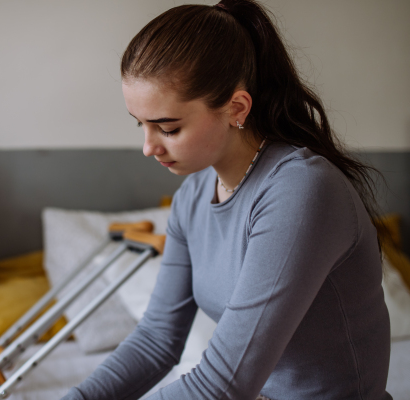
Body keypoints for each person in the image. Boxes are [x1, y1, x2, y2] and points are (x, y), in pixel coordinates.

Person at [62, 1, 392, 399]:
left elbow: (222, 384)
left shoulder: (302, 191)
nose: (148, 147)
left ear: (236, 108)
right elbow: (156, 340)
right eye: (141, 124)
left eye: (167, 128)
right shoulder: (193, 197)